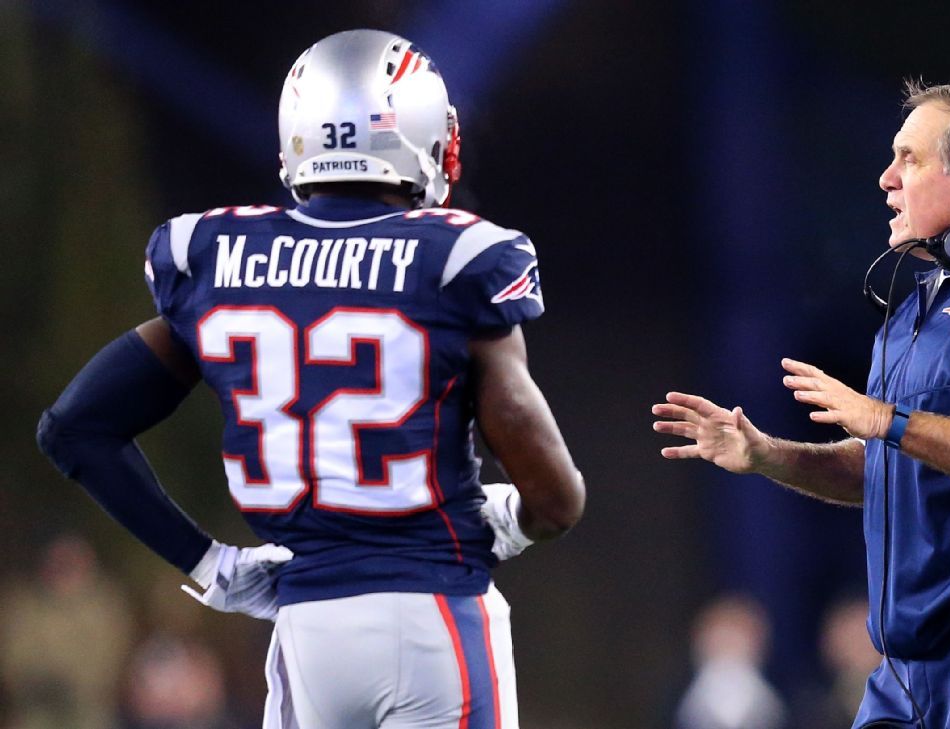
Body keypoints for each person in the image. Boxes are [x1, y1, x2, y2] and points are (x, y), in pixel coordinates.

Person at [37, 29, 584, 729]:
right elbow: (557, 498)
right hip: (434, 614)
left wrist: (212, 565)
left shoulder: (218, 255)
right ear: (414, 134)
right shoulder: (458, 258)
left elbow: (74, 429)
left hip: (307, 630)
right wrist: (509, 519)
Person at [653, 78, 950, 728]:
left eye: (910, 158)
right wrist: (770, 456)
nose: (886, 178)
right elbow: (895, 467)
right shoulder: (920, 305)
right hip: (910, 656)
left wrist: (884, 418)